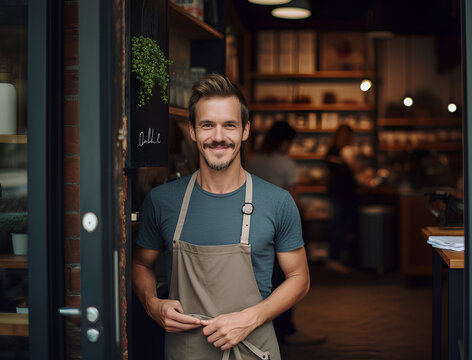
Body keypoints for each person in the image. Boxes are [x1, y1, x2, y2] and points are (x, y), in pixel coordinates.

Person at [133, 74, 310, 360]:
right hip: (185, 352)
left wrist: (251, 318)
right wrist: (153, 304)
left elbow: (299, 277)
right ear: (192, 131)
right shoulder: (162, 200)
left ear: (245, 130)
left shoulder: (278, 202)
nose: (218, 137)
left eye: (229, 125)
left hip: (254, 351)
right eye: (207, 125)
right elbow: (141, 262)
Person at [246, 121, 327, 346]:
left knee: (263, 279)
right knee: (289, 279)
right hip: (280, 226)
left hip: (254, 226)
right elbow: (293, 199)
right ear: (285, 141)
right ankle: (286, 329)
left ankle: (265, 327)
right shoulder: (285, 163)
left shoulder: (252, 160)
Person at [325, 125, 361, 273]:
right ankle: (336, 259)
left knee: (338, 225)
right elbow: (356, 168)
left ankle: (335, 258)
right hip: (346, 192)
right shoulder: (346, 150)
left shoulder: (331, 151)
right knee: (342, 226)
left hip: (335, 191)